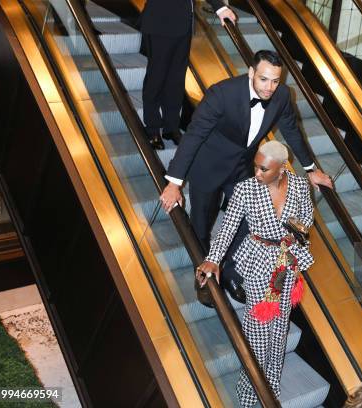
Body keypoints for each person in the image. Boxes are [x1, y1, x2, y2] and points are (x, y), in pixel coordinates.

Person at [159, 50, 332, 301]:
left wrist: (310, 170)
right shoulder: (222, 94)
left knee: (247, 222)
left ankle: (230, 273)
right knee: (201, 225)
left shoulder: (282, 95)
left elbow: (291, 131)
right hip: (208, 166)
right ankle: (204, 280)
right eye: (263, 79)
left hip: (241, 166)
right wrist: (174, 183)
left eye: (275, 80)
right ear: (251, 73)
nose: (270, 87)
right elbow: (194, 135)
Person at [196, 141, 314, 407]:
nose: (257, 173)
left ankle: (270, 386)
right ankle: (251, 390)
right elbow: (227, 228)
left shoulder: (299, 185)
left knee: (280, 328)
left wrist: (299, 228)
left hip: (287, 262)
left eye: (264, 169)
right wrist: (213, 259)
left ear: (282, 168)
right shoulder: (246, 189)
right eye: (256, 167)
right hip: (259, 261)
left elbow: (307, 215)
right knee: (258, 331)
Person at [139, 0, 236, 149]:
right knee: (156, 78)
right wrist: (220, 8)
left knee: (176, 80)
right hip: (160, 23)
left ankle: (171, 127)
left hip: (183, 26)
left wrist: (220, 8)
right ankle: (152, 128)